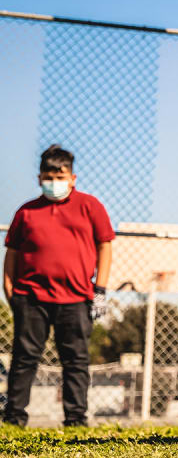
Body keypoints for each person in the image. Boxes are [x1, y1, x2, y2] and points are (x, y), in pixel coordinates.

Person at [3, 145, 113, 427]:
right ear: (39, 178)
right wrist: (11, 292)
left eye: (60, 176)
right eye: (49, 177)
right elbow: (12, 254)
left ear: (72, 178)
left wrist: (99, 290)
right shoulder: (26, 212)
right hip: (31, 298)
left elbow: (105, 246)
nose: (55, 182)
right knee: (24, 358)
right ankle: (14, 417)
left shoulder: (90, 207)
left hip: (76, 299)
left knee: (76, 361)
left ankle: (76, 419)